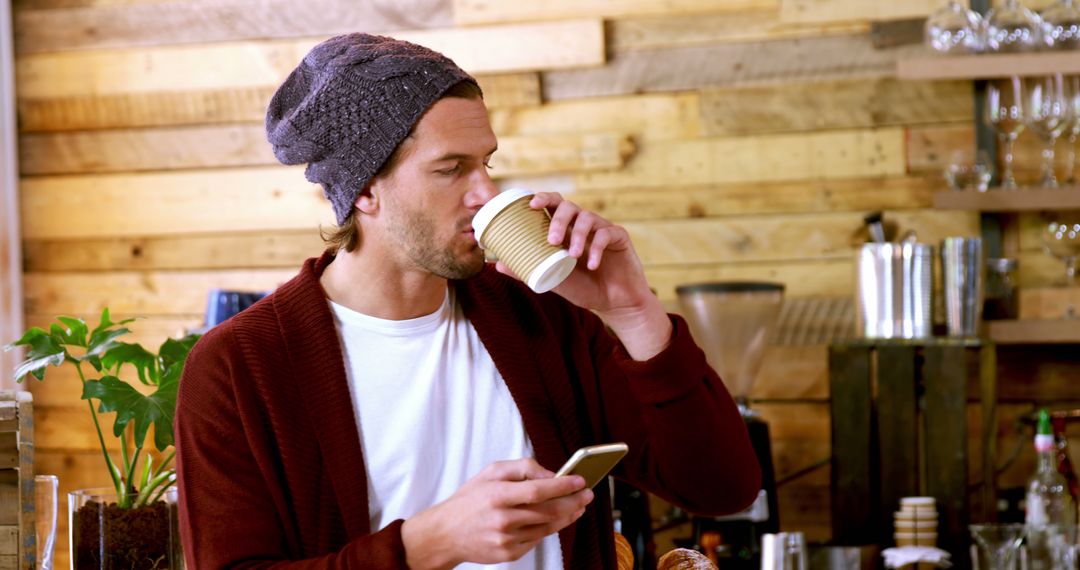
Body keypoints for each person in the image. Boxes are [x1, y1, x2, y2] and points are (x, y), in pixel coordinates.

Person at [175, 33, 760, 569]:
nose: (487, 194)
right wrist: (426, 544)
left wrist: (633, 313)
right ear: (365, 191)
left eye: (487, 163)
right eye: (451, 169)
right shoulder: (237, 367)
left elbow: (723, 489)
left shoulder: (544, 317)